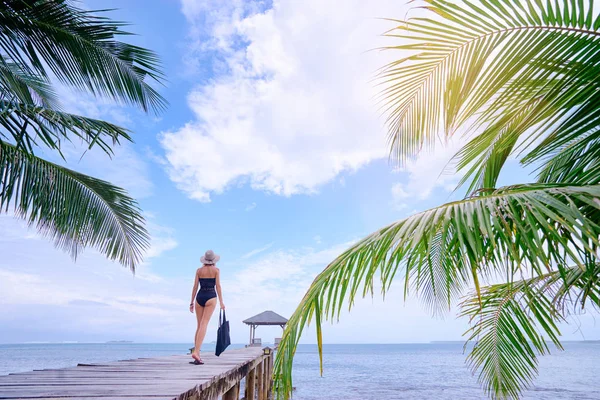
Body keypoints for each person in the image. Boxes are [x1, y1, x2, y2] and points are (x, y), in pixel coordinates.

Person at [189, 249, 225, 365]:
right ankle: (196, 352)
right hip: (211, 296)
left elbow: (195, 287)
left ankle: (197, 354)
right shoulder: (216, 270)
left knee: (199, 325)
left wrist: (191, 302)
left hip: (199, 297)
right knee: (204, 324)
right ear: (214, 260)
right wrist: (221, 302)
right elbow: (218, 286)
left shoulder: (199, 271)